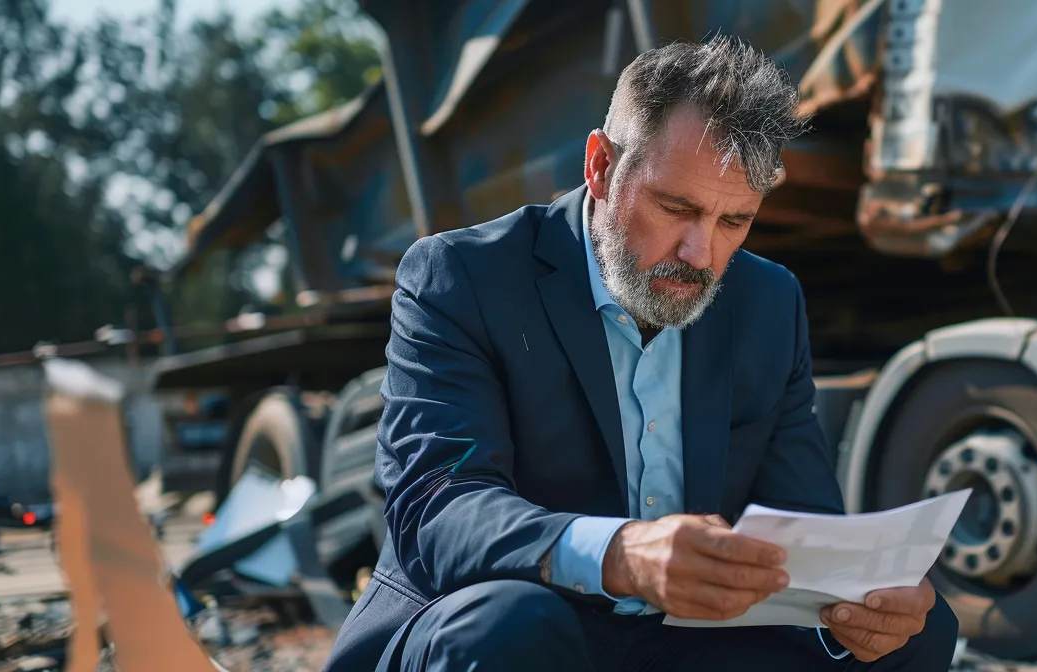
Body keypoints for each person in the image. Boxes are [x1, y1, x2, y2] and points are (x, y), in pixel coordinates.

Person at [321, 36, 958, 672]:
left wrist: (859, 606)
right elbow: (439, 505)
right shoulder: (462, 276)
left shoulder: (769, 301)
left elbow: (803, 525)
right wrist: (621, 555)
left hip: (682, 644)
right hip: (507, 624)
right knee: (512, 626)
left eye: (734, 221)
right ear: (599, 166)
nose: (701, 255)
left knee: (919, 633)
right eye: (676, 208)